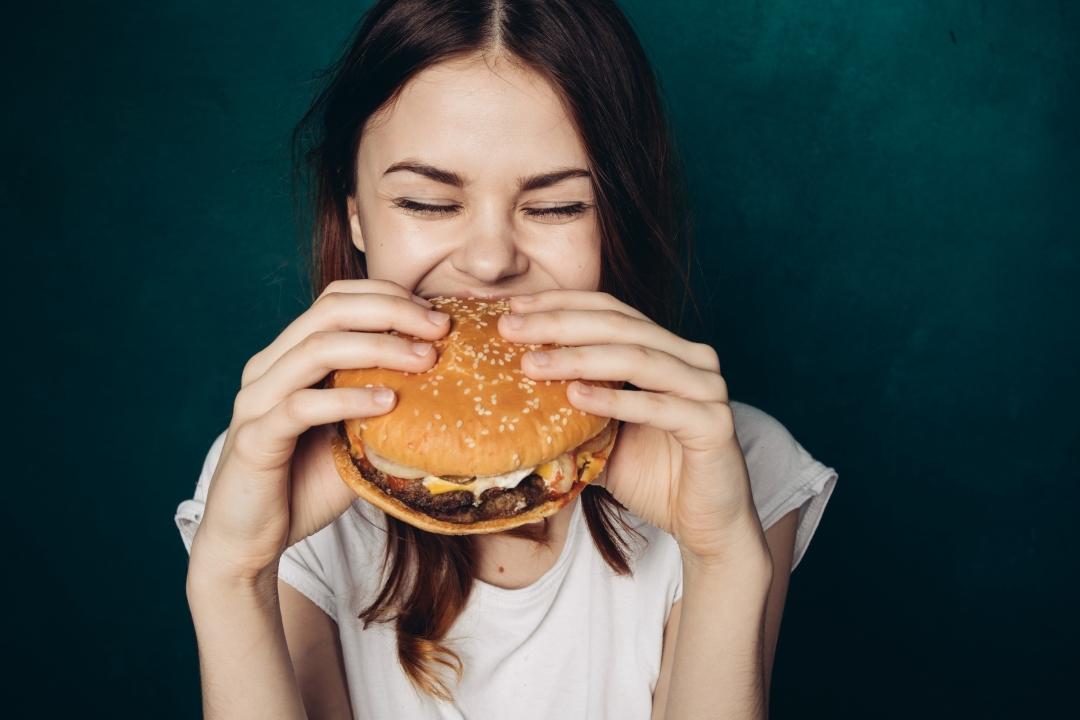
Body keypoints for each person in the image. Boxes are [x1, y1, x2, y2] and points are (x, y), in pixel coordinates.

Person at [174, 1, 838, 717]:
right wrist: (233, 577)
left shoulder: (736, 460)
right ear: (357, 214)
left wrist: (724, 562)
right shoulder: (276, 470)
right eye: (427, 203)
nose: (489, 262)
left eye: (557, 208)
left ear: (618, 218)